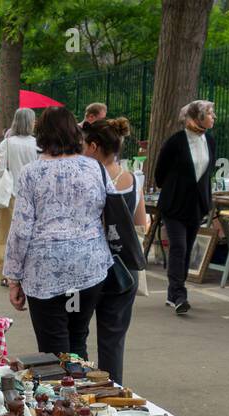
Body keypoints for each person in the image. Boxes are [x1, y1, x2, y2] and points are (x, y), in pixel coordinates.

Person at [3, 106, 113, 359]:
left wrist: (13, 278)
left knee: (53, 348)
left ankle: (60, 395)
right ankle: (80, 392)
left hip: (45, 272)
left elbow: (21, 229)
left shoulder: (32, 173)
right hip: (88, 267)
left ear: (41, 135)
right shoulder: (94, 168)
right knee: (77, 339)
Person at [85, 117, 147, 386]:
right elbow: (140, 224)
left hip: (88, 266)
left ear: (95, 147)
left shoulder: (87, 177)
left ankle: (76, 390)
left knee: (76, 333)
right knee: (113, 339)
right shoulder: (132, 180)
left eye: (85, 144)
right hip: (124, 270)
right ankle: (111, 391)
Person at [153, 99, 217, 315]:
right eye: (209, 113)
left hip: (196, 205)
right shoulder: (176, 142)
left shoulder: (210, 140)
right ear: (198, 117)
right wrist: (174, 186)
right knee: (178, 246)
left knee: (188, 248)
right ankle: (179, 295)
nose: (213, 117)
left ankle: (173, 294)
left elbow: (209, 172)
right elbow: (160, 173)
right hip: (174, 204)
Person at [0, 107, 38, 284]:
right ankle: (28, 271)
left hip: (11, 193)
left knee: (5, 234)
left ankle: (5, 273)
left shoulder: (7, 143)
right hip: (33, 196)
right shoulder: (37, 144)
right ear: (31, 122)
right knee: (31, 234)